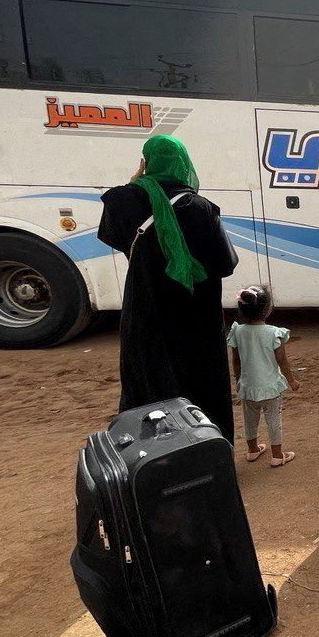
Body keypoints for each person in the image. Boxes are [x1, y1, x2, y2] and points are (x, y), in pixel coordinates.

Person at [97, 135, 239, 441]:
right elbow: (226, 264)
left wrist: (134, 184)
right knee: (203, 387)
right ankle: (209, 451)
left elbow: (114, 236)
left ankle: (157, 460)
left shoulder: (120, 201)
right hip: (196, 316)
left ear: (146, 162)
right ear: (184, 164)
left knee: (149, 384)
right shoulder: (200, 208)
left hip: (145, 311)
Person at [228, 285, 300, 467]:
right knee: (274, 421)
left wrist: (238, 379)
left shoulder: (237, 331)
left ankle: (252, 450)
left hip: (247, 386)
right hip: (270, 387)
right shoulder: (274, 333)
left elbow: (236, 360)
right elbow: (282, 361)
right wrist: (291, 381)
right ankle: (277, 455)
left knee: (250, 421)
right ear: (267, 309)